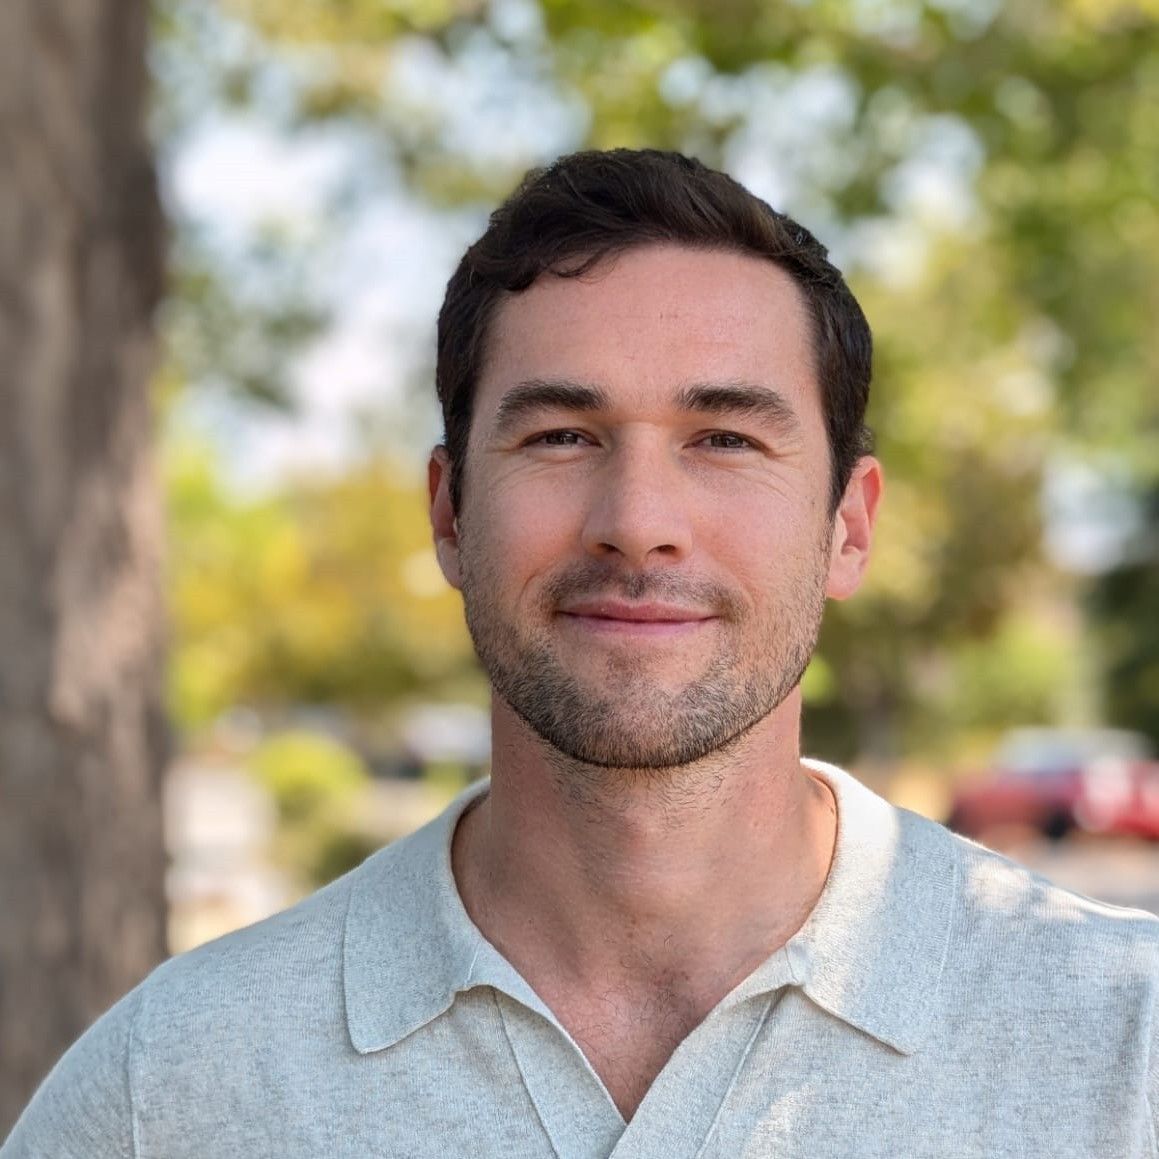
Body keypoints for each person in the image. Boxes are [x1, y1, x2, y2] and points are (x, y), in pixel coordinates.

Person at [4, 148, 1158, 1159]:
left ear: (848, 526)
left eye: (724, 437)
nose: (637, 517)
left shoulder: (1125, 1046)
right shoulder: (173, 1089)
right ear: (450, 515)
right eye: (561, 434)